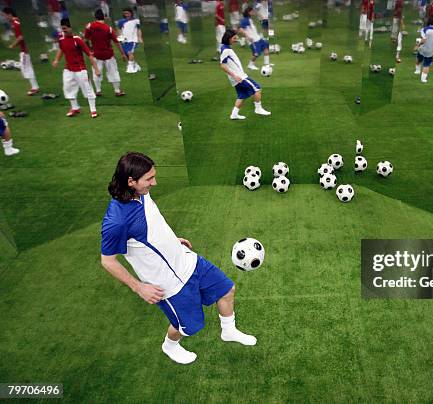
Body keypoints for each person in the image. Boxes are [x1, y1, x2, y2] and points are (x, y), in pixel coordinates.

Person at [101, 152, 257, 365]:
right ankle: (170, 346)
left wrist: (172, 240)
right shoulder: (116, 221)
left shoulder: (141, 194)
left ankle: (229, 331)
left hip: (189, 261)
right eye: (149, 179)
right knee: (188, 328)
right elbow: (107, 260)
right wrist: (139, 287)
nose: (154, 183)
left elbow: (153, 224)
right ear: (131, 181)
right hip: (169, 284)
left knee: (227, 290)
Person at [52, 18, 100, 118]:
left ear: (70, 28)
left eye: (65, 29)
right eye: (62, 29)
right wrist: (56, 60)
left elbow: (89, 54)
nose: (64, 31)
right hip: (68, 69)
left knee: (87, 89)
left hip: (80, 70)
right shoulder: (61, 39)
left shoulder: (77, 39)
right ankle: (75, 108)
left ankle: (93, 110)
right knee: (67, 88)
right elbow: (61, 49)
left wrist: (96, 69)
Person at [219, 29, 271, 120]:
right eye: (234, 38)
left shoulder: (225, 47)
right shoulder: (226, 50)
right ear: (228, 38)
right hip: (239, 77)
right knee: (257, 89)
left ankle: (234, 114)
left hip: (236, 77)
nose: (236, 39)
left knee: (242, 95)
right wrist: (235, 76)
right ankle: (258, 109)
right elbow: (222, 65)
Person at [84, 9, 127, 97]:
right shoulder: (109, 29)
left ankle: (98, 91)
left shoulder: (89, 26)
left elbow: (85, 40)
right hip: (108, 54)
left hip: (96, 54)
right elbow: (116, 42)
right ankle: (117, 91)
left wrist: (90, 50)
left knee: (96, 72)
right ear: (103, 17)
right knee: (113, 72)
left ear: (95, 17)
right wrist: (122, 54)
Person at [1, 7, 40, 96]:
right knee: (27, 68)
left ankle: (35, 88)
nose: (5, 17)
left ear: (9, 14)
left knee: (26, 68)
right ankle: (35, 86)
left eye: (5, 15)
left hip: (26, 50)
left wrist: (12, 45)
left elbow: (21, 37)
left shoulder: (16, 23)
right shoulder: (17, 21)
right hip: (27, 48)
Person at [414, 15, 433, 83]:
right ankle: (423, 79)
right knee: (427, 64)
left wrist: (417, 45)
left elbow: (423, 40)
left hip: (422, 48)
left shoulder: (425, 29)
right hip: (431, 50)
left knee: (419, 58)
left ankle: (417, 70)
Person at [239, 7, 270, 71]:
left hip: (258, 38)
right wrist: (247, 37)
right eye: (252, 11)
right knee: (256, 53)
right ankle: (250, 65)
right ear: (249, 12)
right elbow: (240, 29)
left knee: (266, 47)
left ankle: (266, 64)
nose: (253, 12)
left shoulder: (250, 19)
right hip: (253, 40)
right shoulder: (245, 20)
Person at [118, 8, 142, 74]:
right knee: (127, 54)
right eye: (125, 13)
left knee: (129, 52)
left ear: (131, 13)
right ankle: (136, 66)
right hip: (125, 40)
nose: (126, 15)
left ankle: (130, 67)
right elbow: (120, 30)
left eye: (128, 13)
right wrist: (120, 38)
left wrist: (139, 37)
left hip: (133, 40)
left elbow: (139, 29)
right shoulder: (121, 22)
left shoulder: (136, 21)